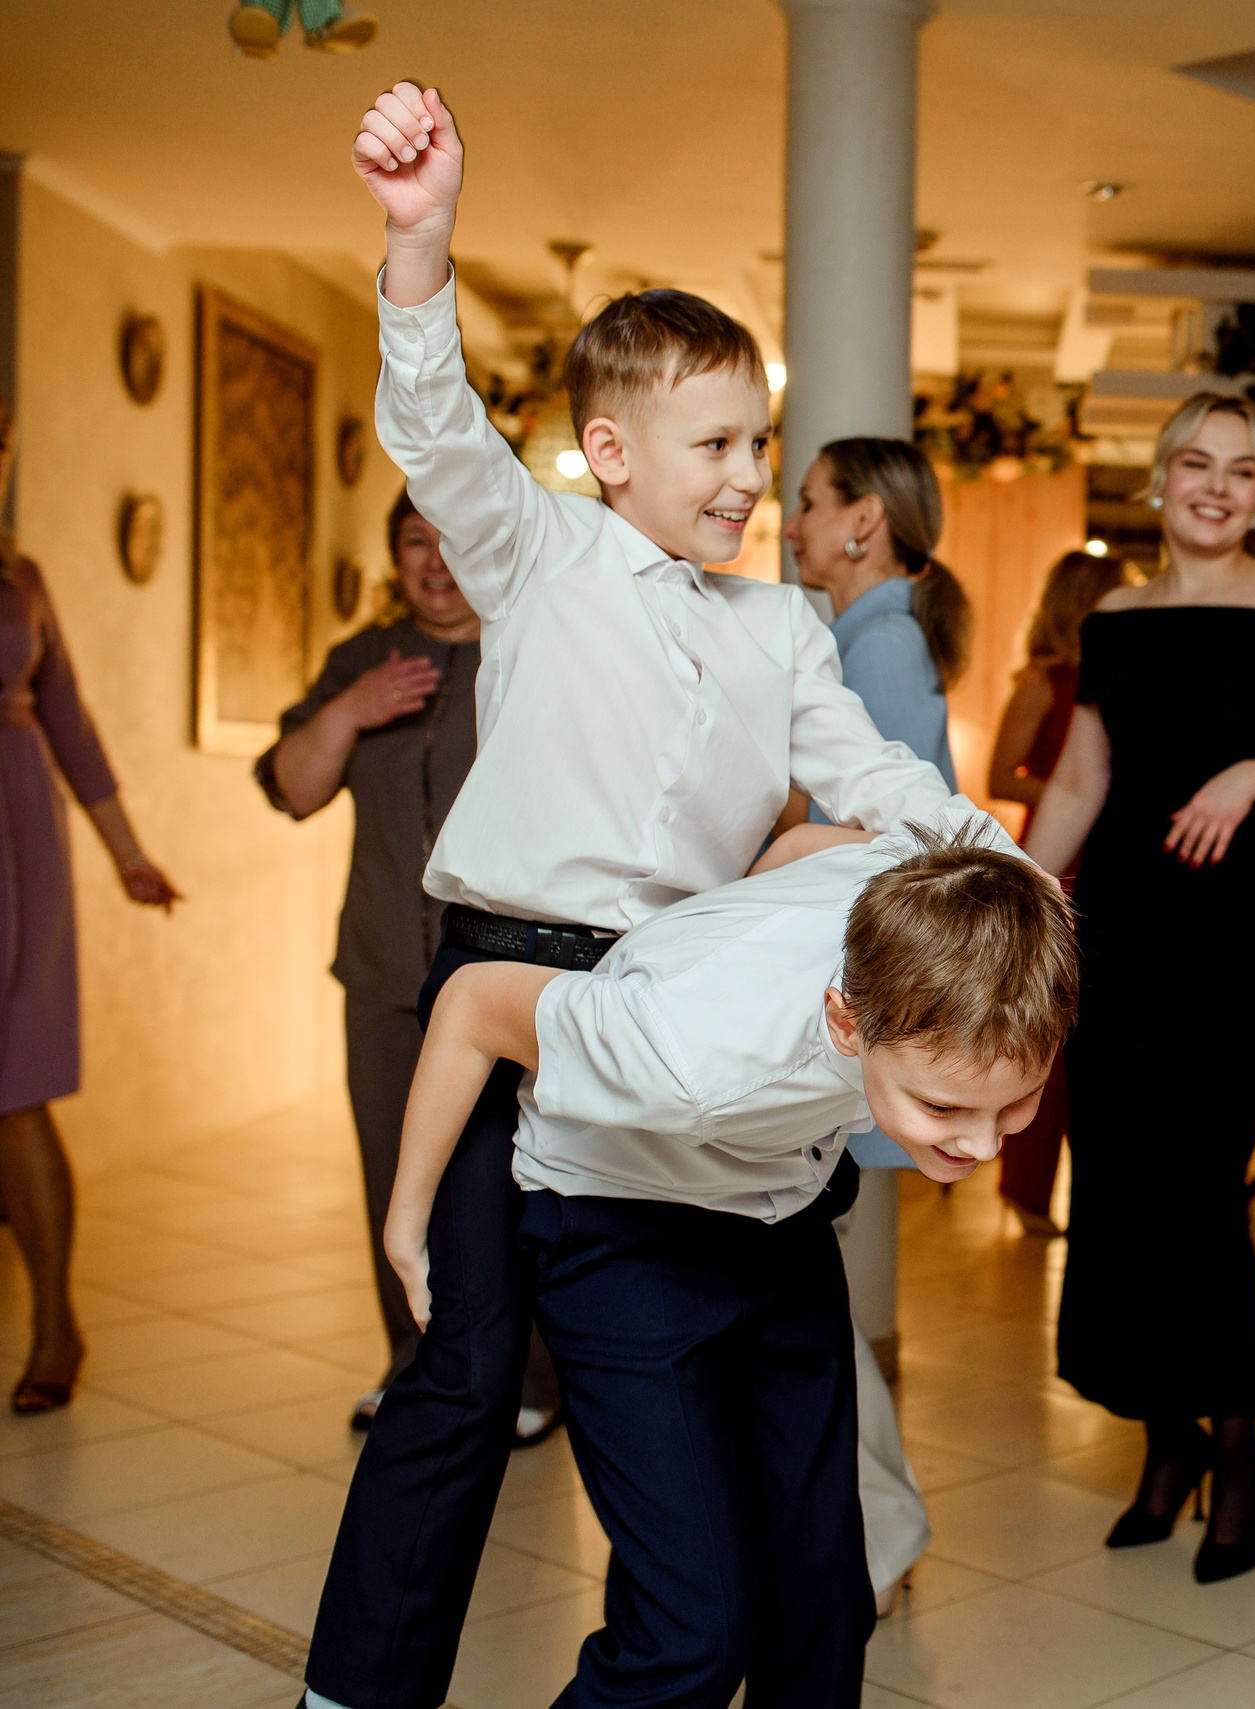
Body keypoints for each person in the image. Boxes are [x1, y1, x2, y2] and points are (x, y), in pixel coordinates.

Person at [307, 82, 989, 1709]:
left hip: (675, 1000)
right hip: (507, 975)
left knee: (706, 1340)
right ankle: (356, 1690)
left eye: (762, 443)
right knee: (467, 1366)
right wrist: (422, 240)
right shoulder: (537, 551)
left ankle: (725, 1629)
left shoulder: (781, 632)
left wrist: (996, 857)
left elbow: (886, 782)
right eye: (717, 444)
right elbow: (435, 427)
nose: (752, 476)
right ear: (610, 451)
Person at [378, 825, 1073, 1704]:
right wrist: (408, 1222)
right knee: (691, 1633)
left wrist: (741, 911)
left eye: (1013, 1105)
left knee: (824, 1599)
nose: (978, 1143)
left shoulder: (969, 898)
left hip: (777, 1213)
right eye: (944, 1106)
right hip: (615, 1223)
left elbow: (803, 848)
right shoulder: (686, 1046)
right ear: (845, 1019)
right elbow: (474, 1003)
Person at [1024, 393, 1255, 1584]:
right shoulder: (1115, 618)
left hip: (1238, 939)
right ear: (1161, 480)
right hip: (1120, 927)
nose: (1216, 485)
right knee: (1117, 1185)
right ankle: (1163, 1444)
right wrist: (1019, 897)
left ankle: (1239, 1453)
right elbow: (1080, 777)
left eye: (1242, 469)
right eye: (1196, 463)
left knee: (1197, 1188)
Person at [257, 489, 557, 1437]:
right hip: (387, 977)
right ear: (392, 555)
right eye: (412, 540)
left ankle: (532, 1380)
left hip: (508, 980)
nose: (433, 559)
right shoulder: (363, 658)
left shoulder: (534, 652)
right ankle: (414, 1365)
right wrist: (351, 708)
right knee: (396, 1178)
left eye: (451, 539)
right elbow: (292, 787)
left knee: (522, 1178)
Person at [0, 401, 181, 1416]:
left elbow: (71, 722)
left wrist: (128, 855)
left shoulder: (21, 581)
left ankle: (56, 1321)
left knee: (16, 1084)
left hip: (16, 836)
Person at [985, 547, 1131, 1235]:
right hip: (1055, 847)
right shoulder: (1044, 681)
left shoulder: (1122, 671)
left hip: (1106, 853)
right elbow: (1001, 774)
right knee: (1045, 1026)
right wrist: (1079, 793)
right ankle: (1027, 1187)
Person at [784, 437, 969, 794]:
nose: (790, 528)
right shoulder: (873, 637)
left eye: (807, 504)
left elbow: (886, 829)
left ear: (864, 519)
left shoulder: (884, 646)